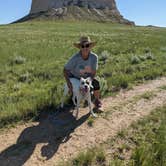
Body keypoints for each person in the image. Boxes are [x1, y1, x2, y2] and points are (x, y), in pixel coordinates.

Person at [63, 36, 103, 110]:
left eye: (87, 45)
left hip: (87, 78)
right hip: (76, 77)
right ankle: (76, 98)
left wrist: (90, 81)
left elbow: (94, 71)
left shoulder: (94, 57)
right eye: (82, 46)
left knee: (96, 82)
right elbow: (65, 70)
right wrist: (69, 84)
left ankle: (96, 101)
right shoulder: (75, 58)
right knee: (76, 97)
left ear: (90, 47)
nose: (85, 48)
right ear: (80, 48)